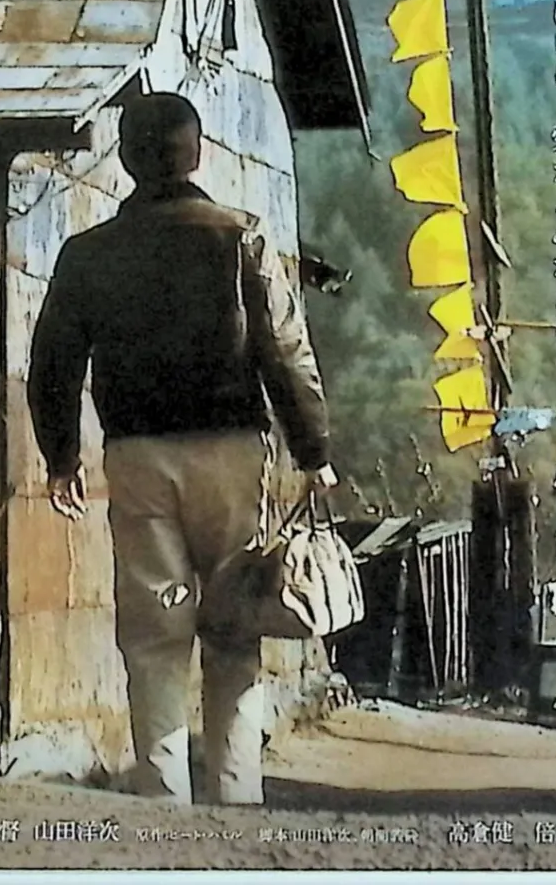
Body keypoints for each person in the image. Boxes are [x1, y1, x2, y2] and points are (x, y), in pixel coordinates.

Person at [27, 92, 334, 806]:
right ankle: (237, 795)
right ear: (196, 154)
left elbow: (53, 363)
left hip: (138, 457)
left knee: (154, 630)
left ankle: (163, 801)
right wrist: (313, 449)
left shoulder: (87, 254)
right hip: (232, 453)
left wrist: (62, 456)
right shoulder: (240, 238)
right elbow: (284, 350)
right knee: (233, 625)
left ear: (126, 158)